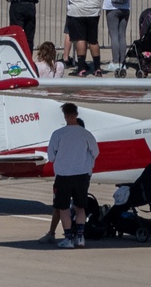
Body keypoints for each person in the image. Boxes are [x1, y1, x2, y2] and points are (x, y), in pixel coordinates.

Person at [48, 103, 99, 248]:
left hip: (63, 175)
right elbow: (95, 152)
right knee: (80, 207)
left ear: (64, 116)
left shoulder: (58, 134)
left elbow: (51, 156)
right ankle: (80, 238)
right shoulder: (86, 134)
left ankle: (68, 238)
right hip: (82, 175)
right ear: (77, 114)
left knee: (63, 208)